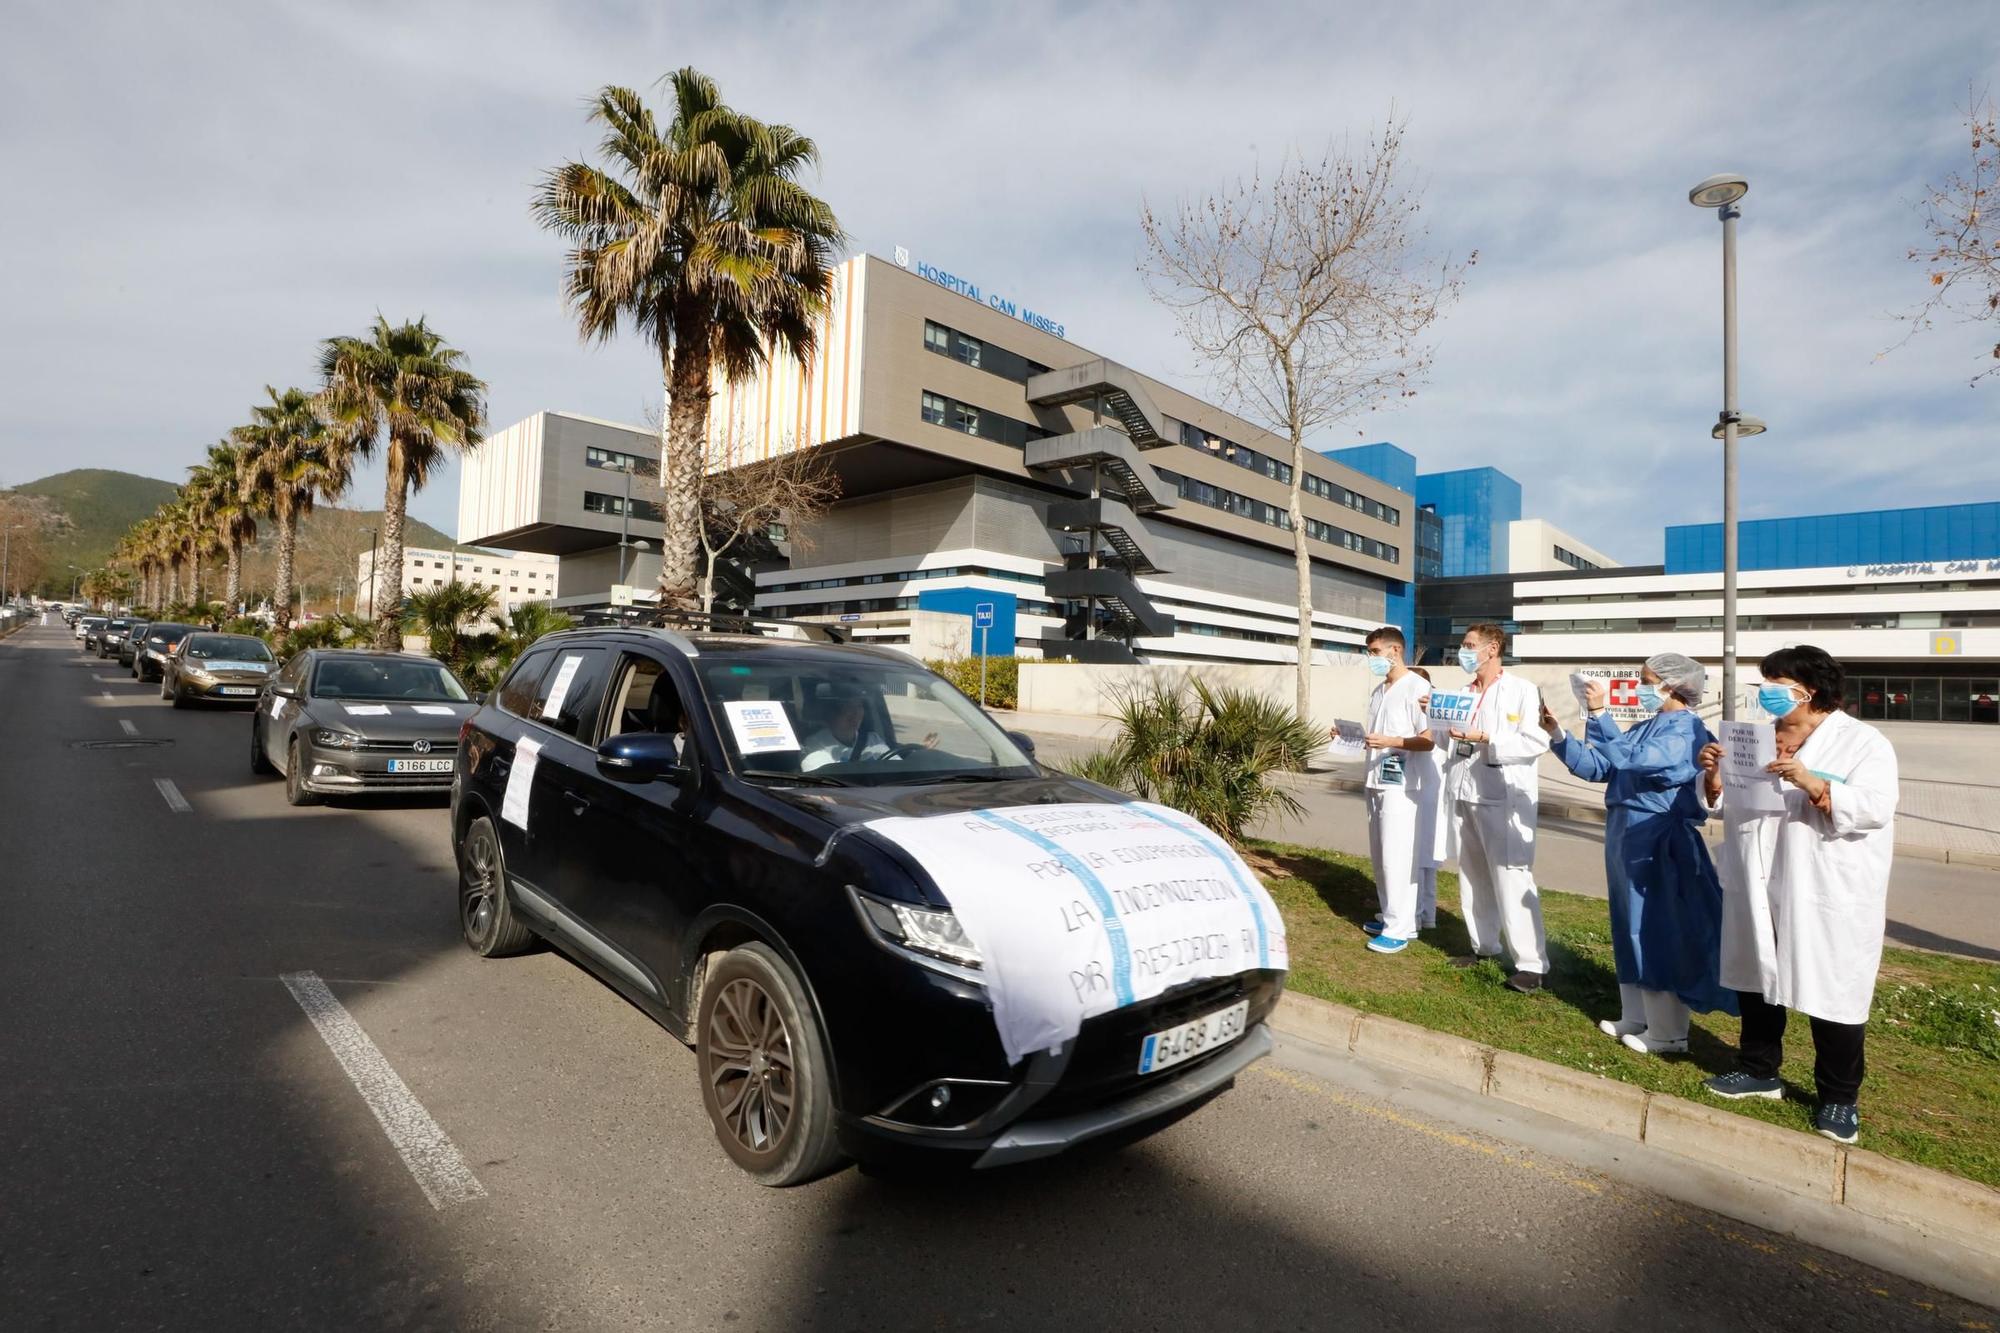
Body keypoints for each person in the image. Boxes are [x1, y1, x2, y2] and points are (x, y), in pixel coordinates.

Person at [1698, 645, 1898, 1145]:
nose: (1765, 690)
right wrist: (1715, 779)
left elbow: (1875, 807)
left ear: (1809, 689)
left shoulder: (1862, 743)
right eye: (1765, 679)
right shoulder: (1757, 737)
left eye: (1776, 680)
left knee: (1833, 988)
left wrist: (1811, 781)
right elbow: (1728, 805)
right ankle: (1758, 1069)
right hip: (1757, 872)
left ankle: (1838, 1098)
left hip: (1824, 881)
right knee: (1754, 974)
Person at [1542, 654, 1736, 1055]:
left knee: (1656, 928)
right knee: (1626, 921)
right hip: (1625, 833)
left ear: (1673, 685)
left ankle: (1668, 1032)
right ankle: (1636, 1013)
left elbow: (1633, 759)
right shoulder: (1648, 726)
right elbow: (1603, 768)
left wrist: (1598, 712)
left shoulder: (1686, 731)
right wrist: (1559, 736)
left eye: (1647, 681)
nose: (1640, 687)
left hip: (1659, 837)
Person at [1441, 623, 1551, 993]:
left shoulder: (1520, 690)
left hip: (1503, 796)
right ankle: (1483, 946)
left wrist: (1489, 738)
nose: (1464, 650)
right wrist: (1436, 716)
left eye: (1470, 644)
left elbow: (1537, 738)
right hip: (1463, 790)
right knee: (1472, 874)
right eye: (1463, 644)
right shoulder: (1461, 693)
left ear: (1492, 649)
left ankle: (1531, 964)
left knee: (1511, 876)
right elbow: (1446, 741)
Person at [1349, 627, 1433, 954]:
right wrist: (1348, 735)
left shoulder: (1418, 687)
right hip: (1376, 778)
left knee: (1397, 855)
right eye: (1369, 652)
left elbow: (1428, 739)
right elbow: (1375, 735)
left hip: (1401, 783)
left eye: (1374, 652)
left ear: (1394, 651)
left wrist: (1393, 741)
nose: (1371, 658)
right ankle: (1390, 915)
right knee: (1381, 853)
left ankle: (1400, 927)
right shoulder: (1379, 691)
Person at [1409, 666, 1445, 933]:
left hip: (1429, 790)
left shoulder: (1434, 714)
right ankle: (1426, 915)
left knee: (1422, 855)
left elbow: (1429, 743)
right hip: (1425, 787)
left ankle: (1419, 914)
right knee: (1424, 857)